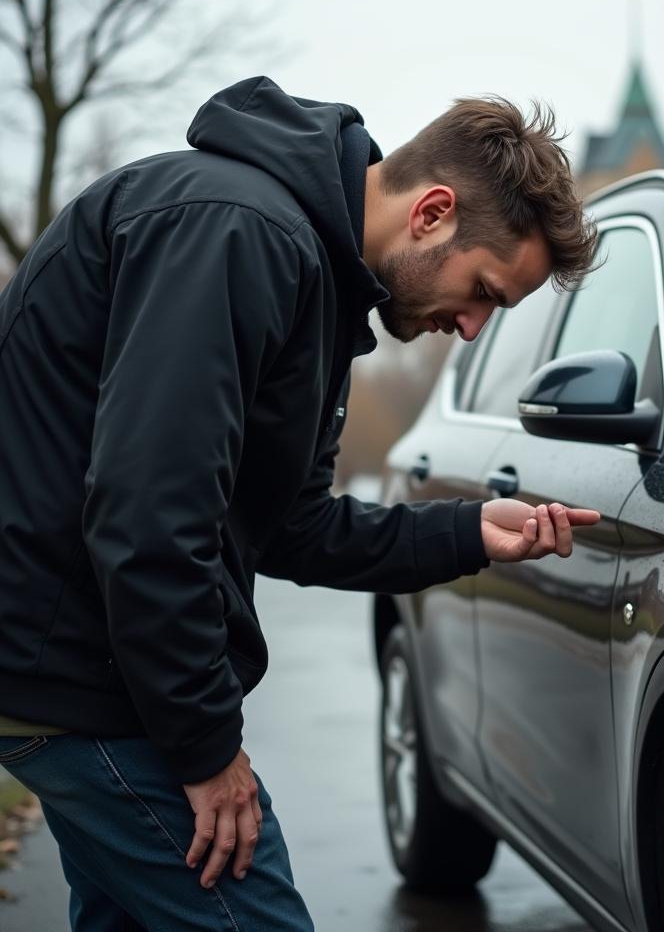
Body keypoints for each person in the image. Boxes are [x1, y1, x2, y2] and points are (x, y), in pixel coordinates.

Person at [0, 76, 601, 930]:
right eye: (485, 293)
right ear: (432, 213)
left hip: (91, 667)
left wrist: (467, 532)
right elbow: (146, 518)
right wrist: (207, 750)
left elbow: (291, 527)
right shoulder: (238, 233)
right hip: (79, 674)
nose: (471, 328)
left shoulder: (312, 278)